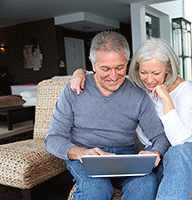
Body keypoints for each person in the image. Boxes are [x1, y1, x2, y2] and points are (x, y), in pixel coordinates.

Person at [71, 37, 192, 200]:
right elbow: (107, 74)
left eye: (156, 73)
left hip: (187, 150)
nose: (149, 80)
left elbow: (179, 141)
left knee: (176, 153)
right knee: (145, 182)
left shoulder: (184, 90)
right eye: (143, 72)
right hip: (156, 151)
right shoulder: (138, 88)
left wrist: (167, 100)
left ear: (168, 68)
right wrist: (80, 72)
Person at [44, 31, 170, 200]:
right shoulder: (73, 90)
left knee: (146, 183)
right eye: (105, 69)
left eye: (120, 68)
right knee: (97, 188)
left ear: (127, 62)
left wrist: (155, 151)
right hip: (85, 157)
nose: (113, 76)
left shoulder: (138, 94)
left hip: (124, 155)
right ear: (93, 65)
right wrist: (81, 153)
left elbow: (160, 136)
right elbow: (52, 139)